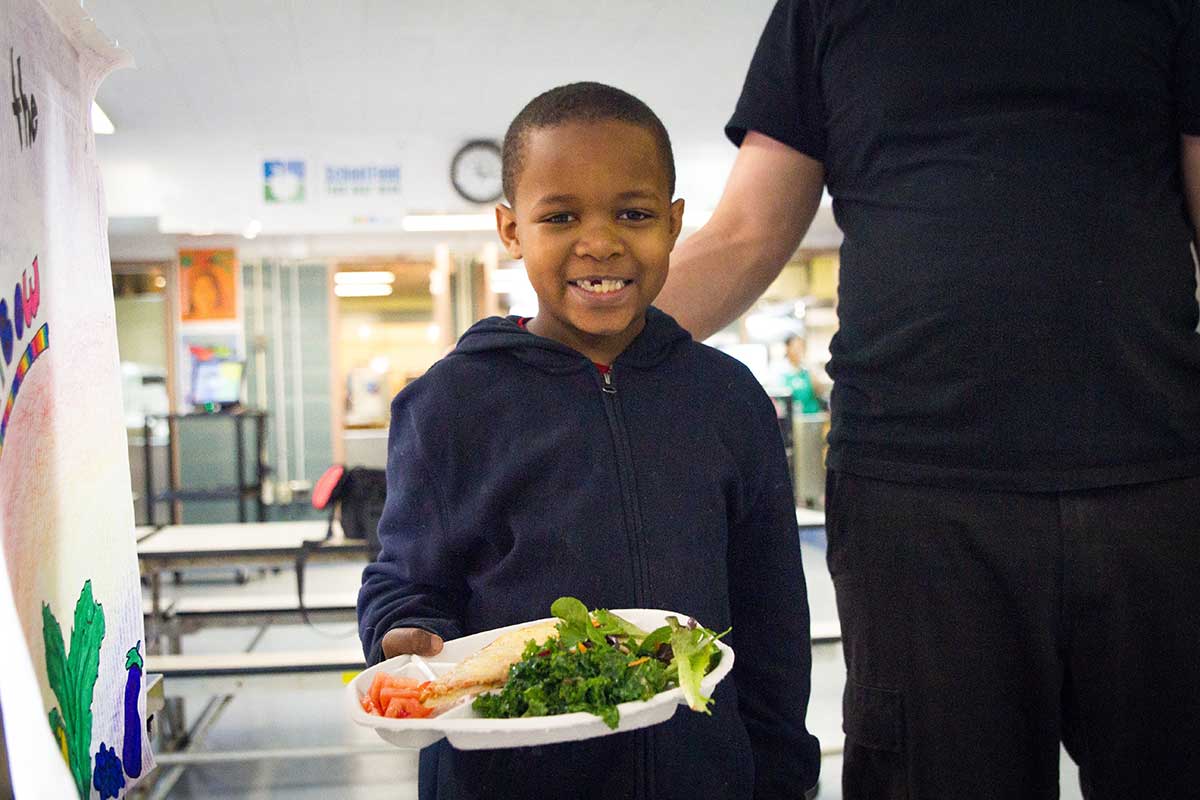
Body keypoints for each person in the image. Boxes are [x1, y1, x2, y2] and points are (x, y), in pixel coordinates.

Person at [656, 2, 1200, 798]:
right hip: (915, 497)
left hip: (1151, 483)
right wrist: (558, 346)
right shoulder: (826, 10)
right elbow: (744, 234)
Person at [358, 82, 821, 800]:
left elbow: (773, 620)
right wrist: (405, 633)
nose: (600, 241)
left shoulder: (729, 400)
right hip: (506, 783)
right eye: (561, 215)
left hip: (702, 779)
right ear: (512, 231)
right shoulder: (447, 404)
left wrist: (784, 776)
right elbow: (405, 580)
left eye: (633, 214)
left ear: (673, 224)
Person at [779, 334, 823, 414]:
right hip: (792, 418)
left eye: (801, 347)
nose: (798, 351)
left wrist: (810, 368)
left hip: (811, 416)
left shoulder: (807, 369)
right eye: (795, 347)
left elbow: (819, 390)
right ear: (787, 348)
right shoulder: (780, 371)